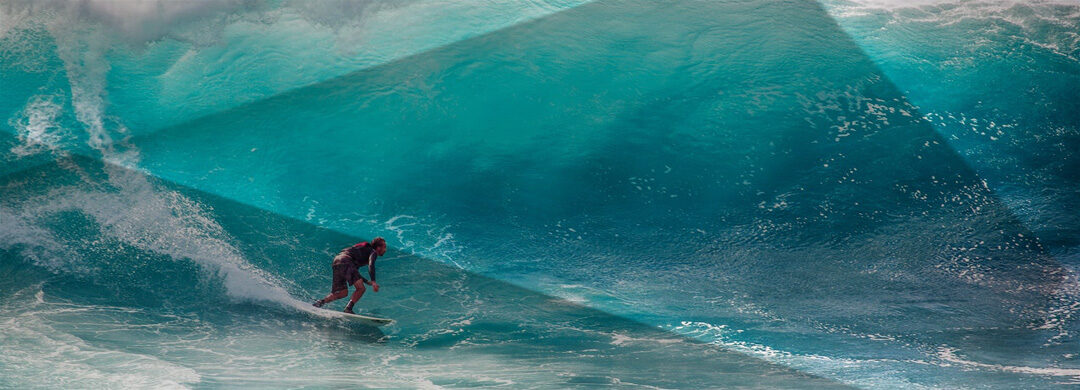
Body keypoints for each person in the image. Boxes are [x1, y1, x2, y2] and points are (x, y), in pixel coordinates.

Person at [312, 237, 387, 314]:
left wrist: (367, 281)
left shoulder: (362, 251)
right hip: (346, 260)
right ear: (378, 248)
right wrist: (373, 281)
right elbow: (371, 265)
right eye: (384, 247)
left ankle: (320, 302)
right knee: (361, 289)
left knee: (342, 293)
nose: (385, 250)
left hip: (337, 261)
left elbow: (354, 271)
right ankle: (348, 308)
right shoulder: (373, 252)